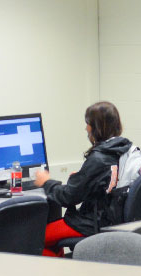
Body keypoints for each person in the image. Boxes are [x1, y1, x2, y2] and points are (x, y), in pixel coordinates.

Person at [35, 100, 133, 256]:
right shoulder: (123, 150)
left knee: (36, 239)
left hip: (91, 223)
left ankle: (54, 275)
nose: (86, 127)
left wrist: (46, 182)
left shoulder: (99, 158)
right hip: (109, 218)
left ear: (97, 127)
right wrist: (83, 179)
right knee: (51, 239)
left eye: (88, 123)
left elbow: (68, 197)